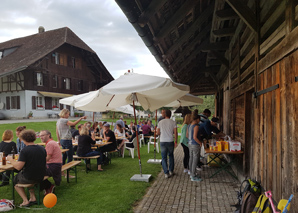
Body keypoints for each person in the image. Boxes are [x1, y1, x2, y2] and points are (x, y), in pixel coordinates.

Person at [7, 130, 46, 207]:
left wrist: (10, 159)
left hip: (31, 177)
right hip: (41, 175)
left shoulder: (25, 151)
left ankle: (25, 201)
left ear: (23, 139)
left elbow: (18, 167)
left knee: (15, 179)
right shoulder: (41, 148)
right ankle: (33, 197)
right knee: (25, 174)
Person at [39, 130, 62, 195]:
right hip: (56, 165)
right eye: (40, 136)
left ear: (48, 135)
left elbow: (47, 158)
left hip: (53, 166)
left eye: (43, 135)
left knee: (35, 173)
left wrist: (37, 162)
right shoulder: (52, 142)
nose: (41, 137)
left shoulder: (50, 144)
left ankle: (48, 186)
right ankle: (47, 187)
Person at [156, 109, 178, 178]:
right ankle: (171, 170)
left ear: (164, 114)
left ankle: (166, 173)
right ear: (170, 115)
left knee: (164, 157)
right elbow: (176, 133)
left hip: (162, 141)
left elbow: (157, 133)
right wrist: (176, 141)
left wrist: (161, 134)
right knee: (171, 156)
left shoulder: (160, 122)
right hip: (170, 140)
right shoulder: (173, 122)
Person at [187, 110, 203, 182]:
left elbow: (187, 135)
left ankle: (191, 173)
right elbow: (195, 137)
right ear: (197, 119)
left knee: (191, 158)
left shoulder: (189, 125)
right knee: (195, 160)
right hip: (195, 144)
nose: (199, 121)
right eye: (199, 119)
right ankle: (193, 176)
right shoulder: (196, 126)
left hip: (190, 144)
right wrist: (200, 143)